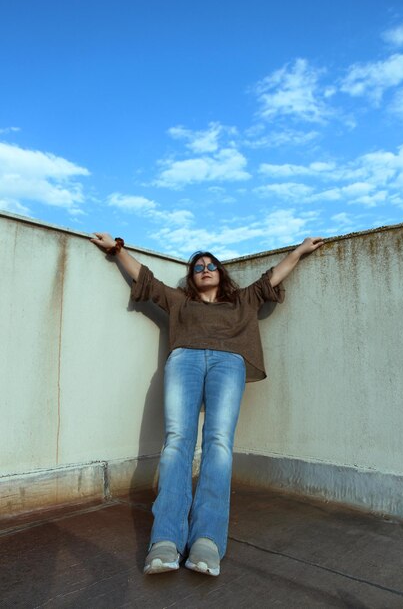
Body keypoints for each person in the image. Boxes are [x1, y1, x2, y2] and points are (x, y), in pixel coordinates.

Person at [91, 232, 324, 576]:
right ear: (192, 276)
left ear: (220, 272)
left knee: (218, 443)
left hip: (229, 363)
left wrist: (301, 251)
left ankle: (207, 541)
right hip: (184, 360)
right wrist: (117, 250)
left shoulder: (242, 301)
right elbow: (146, 280)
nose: (205, 268)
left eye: (211, 264)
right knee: (176, 442)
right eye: (198, 266)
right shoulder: (181, 302)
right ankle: (166, 541)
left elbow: (271, 277)